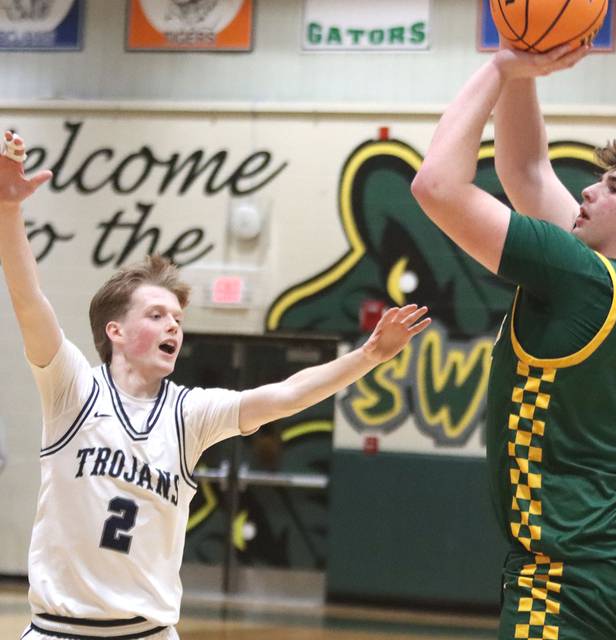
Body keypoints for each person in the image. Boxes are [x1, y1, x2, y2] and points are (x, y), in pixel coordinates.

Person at [0, 130, 431, 640]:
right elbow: (29, 300)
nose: (173, 327)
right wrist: (8, 210)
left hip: (148, 632)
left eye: (177, 318)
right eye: (157, 314)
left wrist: (368, 355)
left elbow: (288, 395)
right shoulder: (72, 390)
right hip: (58, 630)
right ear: (114, 331)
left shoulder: (189, 414)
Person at [411, 43, 616, 640]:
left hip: (569, 578)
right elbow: (525, 171)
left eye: (613, 187)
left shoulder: (579, 276)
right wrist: (522, 69)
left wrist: (497, 70)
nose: (590, 192)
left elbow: (436, 187)